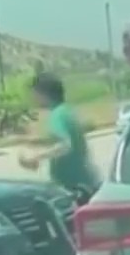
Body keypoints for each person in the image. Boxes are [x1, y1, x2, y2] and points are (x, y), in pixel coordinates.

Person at [19, 71, 100, 199]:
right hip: (86, 183)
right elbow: (58, 139)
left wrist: (35, 157)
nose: (32, 97)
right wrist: (31, 141)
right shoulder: (66, 111)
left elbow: (65, 145)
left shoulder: (57, 115)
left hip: (75, 188)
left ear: (43, 93)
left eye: (34, 93)